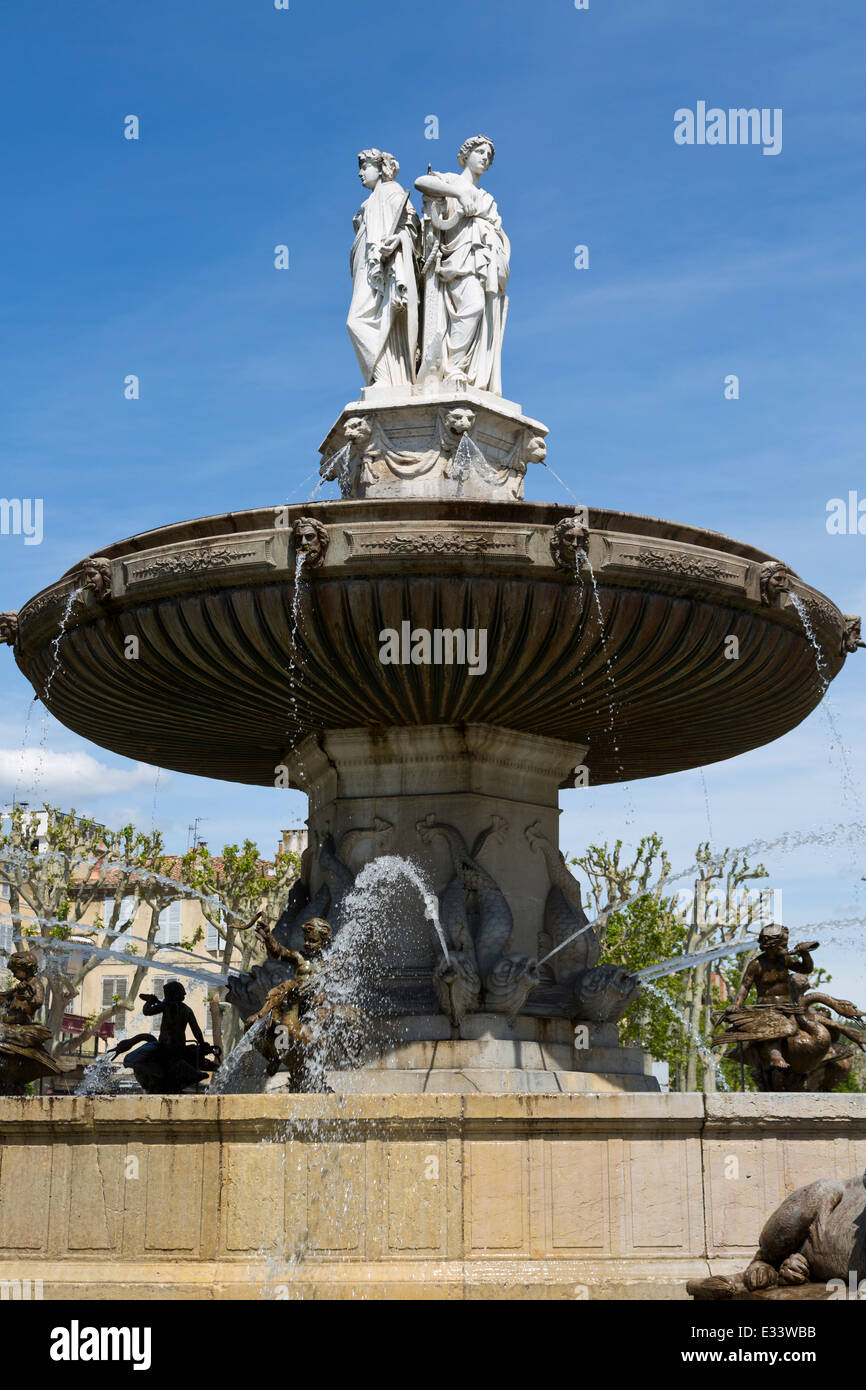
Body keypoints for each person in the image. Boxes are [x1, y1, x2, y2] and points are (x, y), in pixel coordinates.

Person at [414, 135, 510, 393]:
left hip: (481, 261)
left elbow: (499, 233)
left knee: (477, 309)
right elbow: (420, 182)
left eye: (488, 156)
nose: (484, 158)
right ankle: (453, 367)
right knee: (471, 307)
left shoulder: (488, 199)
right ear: (466, 155)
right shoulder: (451, 181)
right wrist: (458, 193)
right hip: (455, 259)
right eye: (480, 152)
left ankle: (462, 369)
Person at [347, 148, 420, 387]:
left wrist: (399, 240)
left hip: (384, 266)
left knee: (358, 321)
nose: (360, 173)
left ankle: (387, 378)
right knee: (363, 320)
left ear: (380, 169)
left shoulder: (391, 191)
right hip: (367, 268)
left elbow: (411, 225)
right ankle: (383, 377)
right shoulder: (368, 202)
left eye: (365, 167)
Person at [117, 981, 219, 1093]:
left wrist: (150, 1001)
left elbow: (146, 1011)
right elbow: (196, 1030)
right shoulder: (186, 1009)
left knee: (146, 1056)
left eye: (166, 994)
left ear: (171, 994)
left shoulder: (166, 1006)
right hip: (179, 1046)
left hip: (165, 1045)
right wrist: (202, 1043)